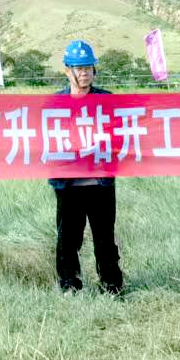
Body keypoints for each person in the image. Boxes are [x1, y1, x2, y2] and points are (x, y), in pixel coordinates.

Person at [48, 39, 122, 296]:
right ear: (67, 70)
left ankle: (111, 284)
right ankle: (69, 284)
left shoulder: (106, 100)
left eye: (88, 67)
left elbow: (120, 136)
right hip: (68, 184)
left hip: (100, 183)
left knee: (104, 237)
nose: (84, 73)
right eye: (79, 68)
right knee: (68, 238)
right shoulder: (55, 104)